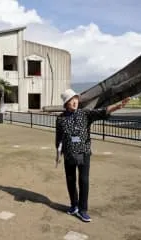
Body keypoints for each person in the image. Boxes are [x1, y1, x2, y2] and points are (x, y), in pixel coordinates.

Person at [55, 89, 129, 222]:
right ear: (66, 103)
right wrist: (58, 153)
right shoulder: (60, 119)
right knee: (71, 181)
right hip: (69, 155)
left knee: (83, 181)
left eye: (76, 98)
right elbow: (59, 138)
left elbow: (102, 112)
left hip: (84, 153)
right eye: (71, 100)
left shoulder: (85, 114)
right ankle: (74, 206)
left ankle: (83, 210)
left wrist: (117, 107)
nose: (75, 101)